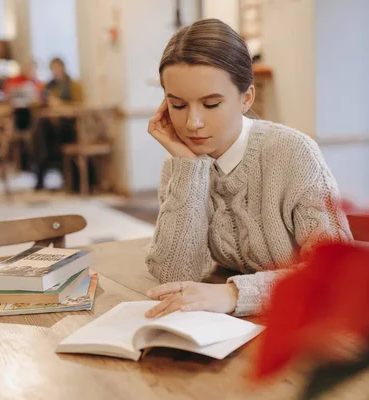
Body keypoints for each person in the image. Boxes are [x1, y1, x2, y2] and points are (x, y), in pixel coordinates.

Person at [144, 19, 352, 318]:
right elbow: (172, 273)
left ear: (246, 98)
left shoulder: (292, 153)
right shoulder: (181, 164)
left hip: (310, 324)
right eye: (177, 105)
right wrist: (189, 168)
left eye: (211, 104)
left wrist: (234, 293)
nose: (193, 123)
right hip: (243, 327)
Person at [33, 57, 83, 190]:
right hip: (52, 123)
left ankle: (42, 170)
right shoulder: (49, 86)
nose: (55, 71)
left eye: (56, 67)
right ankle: (41, 166)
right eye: (52, 68)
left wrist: (59, 103)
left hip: (67, 123)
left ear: (62, 67)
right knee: (40, 128)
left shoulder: (72, 85)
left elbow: (78, 106)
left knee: (43, 131)